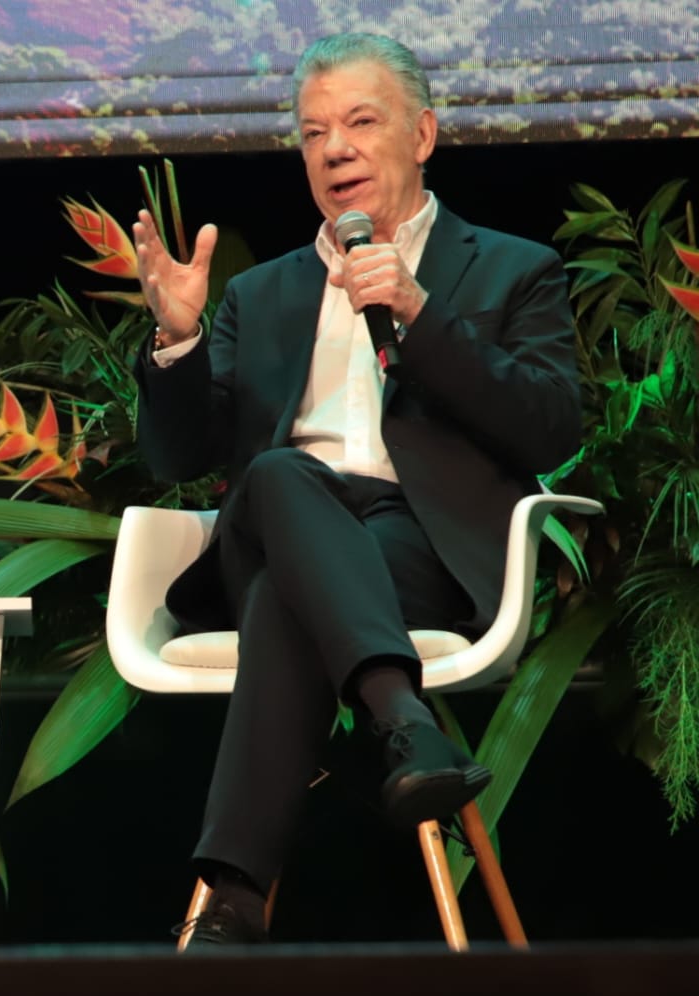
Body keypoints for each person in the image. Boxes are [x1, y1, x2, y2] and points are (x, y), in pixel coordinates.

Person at [130, 32, 580, 948]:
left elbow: (550, 426)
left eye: (359, 122)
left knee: (291, 601)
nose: (333, 149)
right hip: (277, 517)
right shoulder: (260, 295)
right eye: (312, 132)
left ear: (421, 136)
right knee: (281, 474)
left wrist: (419, 310)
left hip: (423, 546)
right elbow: (179, 457)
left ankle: (233, 901)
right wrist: (175, 343)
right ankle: (405, 723)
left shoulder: (511, 268)